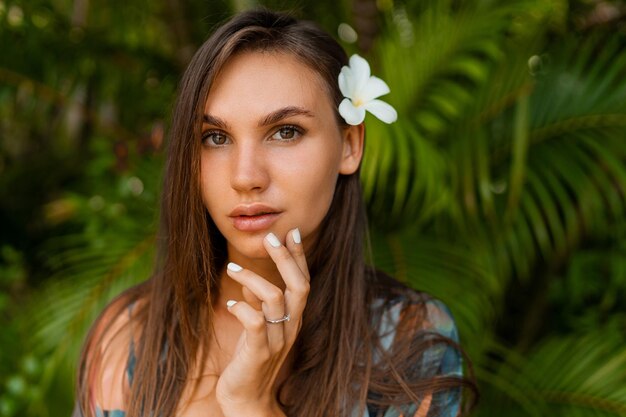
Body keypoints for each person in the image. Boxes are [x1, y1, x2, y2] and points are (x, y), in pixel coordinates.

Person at [74, 8, 478, 417]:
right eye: (215, 138)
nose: (246, 176)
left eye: (286, 132)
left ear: (350, 144)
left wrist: (251, 404)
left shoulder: (408, 341)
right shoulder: (131, 336)